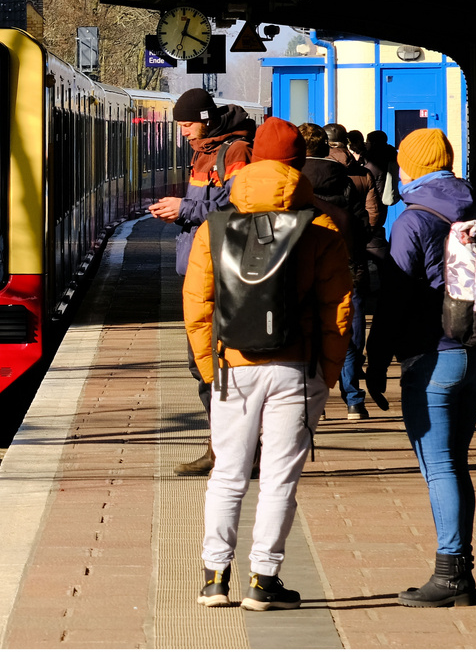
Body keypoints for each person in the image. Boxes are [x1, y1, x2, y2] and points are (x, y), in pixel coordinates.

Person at [183, 117, 353, 610]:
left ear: (252, 160)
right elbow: (338, 310)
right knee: (279, 478)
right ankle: (263, 581)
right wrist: (331, 371)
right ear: (299, 163)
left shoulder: (215, 228)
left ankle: (215, 576)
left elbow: (197, 305)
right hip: (297, 369)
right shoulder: (319, 229)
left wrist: (212, 367)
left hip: (232, 369)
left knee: (228, 475)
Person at [365, 128, 476, 608]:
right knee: (455, 465)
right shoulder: (474, 206)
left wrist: (375, 364)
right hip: (475, 354)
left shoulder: (413, 219)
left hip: (431, 359)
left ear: (410, 166)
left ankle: (451, 573)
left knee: (440, 467)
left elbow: (393, 301)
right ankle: (461, 573)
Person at [147, 88, 254, 475]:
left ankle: (231, 453)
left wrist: (184, 208)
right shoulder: (203, 153)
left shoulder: (235, 152)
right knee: (202, 366)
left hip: (221, 273)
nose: (184, 134)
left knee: (216, 365)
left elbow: (238, 207)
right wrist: (180, 212)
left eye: (188, 125)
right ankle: (219, 447)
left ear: (206, 119)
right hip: (199, 271)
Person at [326, 123, 384, 420]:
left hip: (317, 260)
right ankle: (353, 400)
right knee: (352, 326)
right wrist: (359, 238)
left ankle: (316, 398)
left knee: (315, 327)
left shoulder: (300, 175)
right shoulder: (362, 173)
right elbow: (374, 214)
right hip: (352, 258)